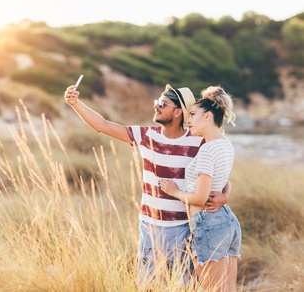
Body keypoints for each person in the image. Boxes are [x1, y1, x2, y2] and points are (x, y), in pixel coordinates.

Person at [64, 83, 231, 287]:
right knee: (149, 286)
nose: (156, 106)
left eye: (163, 103)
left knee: (186, 286)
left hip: (185, 229)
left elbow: (218, 173)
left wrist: (225, 195)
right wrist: (75, 103)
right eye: (156, 102)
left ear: (178, 111)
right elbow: (103, 125)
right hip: (151, 228)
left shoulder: (197, 140)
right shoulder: (146, 135)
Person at [159, 86, 241, 291]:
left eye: (193, 115)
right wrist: (225, 194)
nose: (188, 120)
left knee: (214, 289)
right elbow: (224, 181)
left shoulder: (206, 150)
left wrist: (174, 191)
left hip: (208, 223)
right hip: (227, 221)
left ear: (208, 116)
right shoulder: (225, 144)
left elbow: (200, 198)